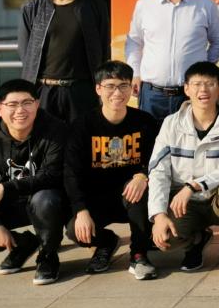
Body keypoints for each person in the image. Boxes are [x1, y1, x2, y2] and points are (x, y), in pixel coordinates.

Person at [147, 62, 219, 285]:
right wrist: (159, 215)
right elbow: (158, 171)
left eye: (210, 84)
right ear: (186, 89)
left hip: (218, 198)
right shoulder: (171, 124)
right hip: (185, 203)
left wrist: (194, 185)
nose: (203, 90)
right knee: (164, 239)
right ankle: (197, 240)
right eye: (196, 84)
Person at [0, 79, 67, 285]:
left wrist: (5, 187)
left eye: (27, 103)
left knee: (45, 199)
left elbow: (52, 175)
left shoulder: (56, 130)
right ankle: (24, 244)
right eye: (12, 104)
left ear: (37, 104)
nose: (20, 110)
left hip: (48, 202)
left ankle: (48, 255)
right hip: (12, 203)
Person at [64, 61, 159, 279]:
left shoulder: (144, 122)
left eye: (123, 86)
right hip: (98, 198)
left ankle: (139, 255)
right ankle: (106, 242)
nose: (117, 93)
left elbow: (158, 159)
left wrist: (143, 174)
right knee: (74, 231)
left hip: (132, 196)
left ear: (131, 88)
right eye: (110, 86)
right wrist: (80, 210)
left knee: (137, 189)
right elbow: (71, 172)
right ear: (98, 89)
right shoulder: (82, 125)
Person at [125, 0, 219, 119]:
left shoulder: (205, 5)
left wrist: (201, 69)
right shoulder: (144, 5)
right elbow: (134, 42)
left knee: (191, 136)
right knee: (150, 136)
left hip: (190, 94)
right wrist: (135, 73)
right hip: (152, 95)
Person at [18, 0, 110, 122]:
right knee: (46, 137)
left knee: (82, 137)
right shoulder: (32, 7)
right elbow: (26, 53)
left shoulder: (94, 5)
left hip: (82, 91)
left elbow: (104, 49)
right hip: (43, 92)